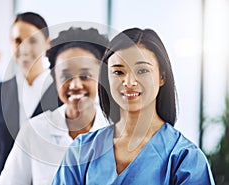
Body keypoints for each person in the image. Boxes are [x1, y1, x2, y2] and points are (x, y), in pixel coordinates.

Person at [52, 28, 216, 184]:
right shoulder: (81, 150)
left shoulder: (184, 158)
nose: (129, 82)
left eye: (142, 71)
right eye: (118, 72)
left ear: (162, 77)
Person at [0, 27, 109, 185]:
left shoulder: (116, 130)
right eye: (66, 76)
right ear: (55, 80)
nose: (76, 84)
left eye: (85, 76)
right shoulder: (34, 130)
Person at [0, 12, 62, 185]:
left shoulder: (64, 94)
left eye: (32, 40)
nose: (24, 48)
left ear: (47, 44)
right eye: (18, 41)